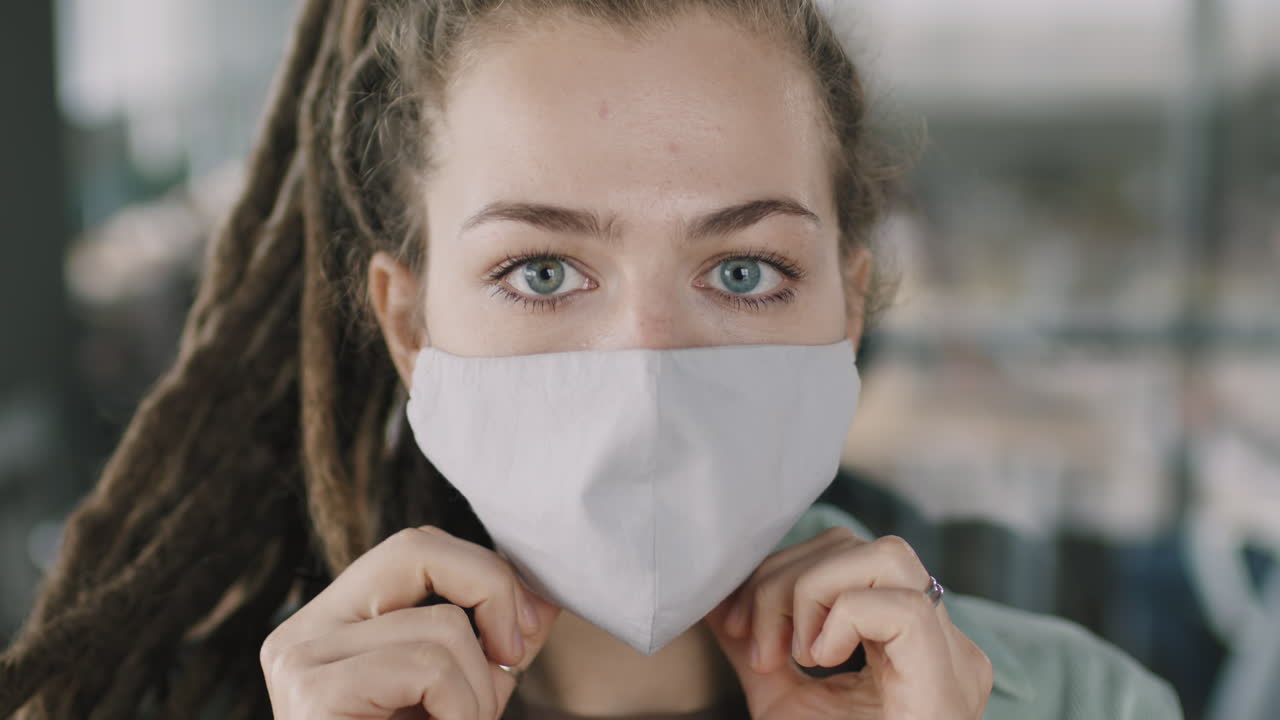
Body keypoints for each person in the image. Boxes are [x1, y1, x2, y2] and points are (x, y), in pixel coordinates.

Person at [0, 1, 1182, 718]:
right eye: (543, 271)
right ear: (410, 327)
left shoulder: (1091, 705)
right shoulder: (201, 707)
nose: (648, 366)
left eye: (740, 270)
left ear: (846, 303)